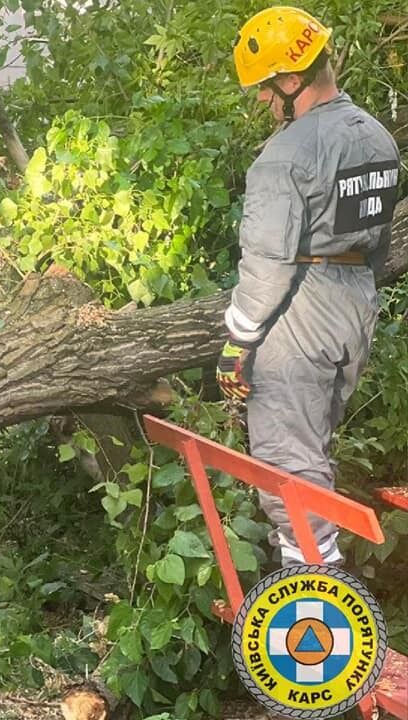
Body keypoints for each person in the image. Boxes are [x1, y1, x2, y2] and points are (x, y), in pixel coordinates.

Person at [217, 7, 400, 567]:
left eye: (266, 90)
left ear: (291, 80)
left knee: (284, 465)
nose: (264, 103)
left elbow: (269, 263)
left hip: (301, 313)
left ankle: (320, 610)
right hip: (354, 307)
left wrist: (238, 341)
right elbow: (379, 241)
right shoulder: (376, 136)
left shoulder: (285, 157)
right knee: (310, 450)